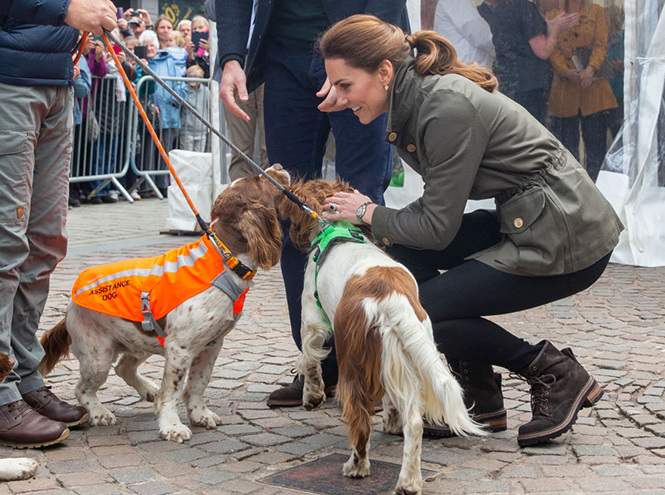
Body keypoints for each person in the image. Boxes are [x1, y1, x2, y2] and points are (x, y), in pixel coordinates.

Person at [318, 14, 623, 447]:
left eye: (345, 86)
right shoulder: (416, 97)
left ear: (385, 72)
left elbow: (437, 227)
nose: (339, 96)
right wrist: (351, 100)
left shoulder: (442, 106)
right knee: (405, 258)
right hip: (530, 217)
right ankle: (479, 392)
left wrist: (367, 212)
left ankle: (555, 373)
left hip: (567, 232)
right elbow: (431, 221)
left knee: (423, 310)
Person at [215, 0, 409, 408]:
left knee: (361, 209)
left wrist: (361, 64)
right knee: (290, 214)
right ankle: (318, 364)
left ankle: (369, 362)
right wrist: (232, 56)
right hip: (284, 54)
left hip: (360, 49)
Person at [0, 0, 117, 449]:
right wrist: (64, 9)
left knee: (44, 243)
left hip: (57, 81)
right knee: (6, 245)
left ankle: (23, 377)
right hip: (10, 80)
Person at [547, 0, 618, 182]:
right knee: (566, 145)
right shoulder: (554, 14)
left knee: (595, 145)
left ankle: (596, 187)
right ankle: (570, 187)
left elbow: (601, 44)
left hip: (593, 87)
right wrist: (565, 70)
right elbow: (552, 47)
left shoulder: (596, 11)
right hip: (565, 88)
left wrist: (591, 69)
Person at [482, 0, 579, 124]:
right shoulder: (526, 8)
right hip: (529, 85)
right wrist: (555, 30)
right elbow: (543, 51)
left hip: (505, 82)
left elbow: (519, 35)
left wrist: (546, 25)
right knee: (531, 131)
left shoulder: (500, 9)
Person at [421, 0, 495, 69]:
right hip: (466, 70)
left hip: (462, 68)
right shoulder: (457, 2)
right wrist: (497, 50)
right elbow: (481, 36)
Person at [180, 64, 210, 152]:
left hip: (202, 130)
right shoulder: (183, 90)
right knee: (187, 156)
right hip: (187, 131)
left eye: (196, 76)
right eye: (190, 76)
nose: (192, 78)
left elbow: (210, 108)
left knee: (200, 156)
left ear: (201, 79)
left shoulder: (206, 91)